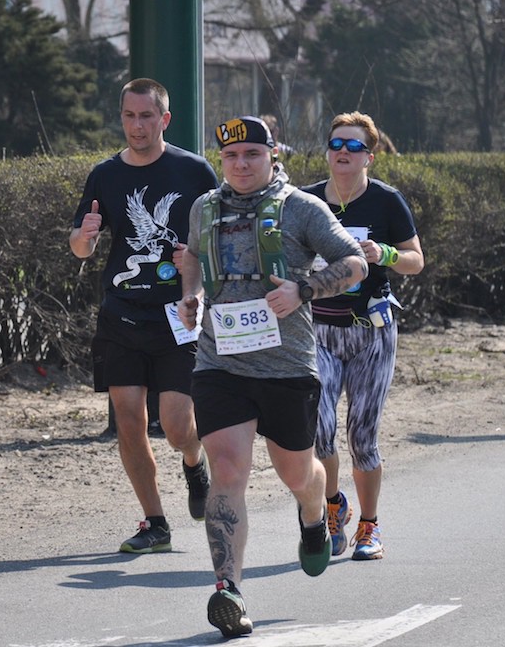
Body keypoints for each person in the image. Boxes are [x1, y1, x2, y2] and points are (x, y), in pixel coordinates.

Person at [178, 116, 366, 638]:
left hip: (287, 367)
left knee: (297, 476)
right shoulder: (205, 208)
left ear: (272, 156)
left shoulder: (302, 208)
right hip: (220, 362)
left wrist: (302, 291)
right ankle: (228, 590)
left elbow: (355, 264)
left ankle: (314, 513)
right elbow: (191, 256)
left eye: (252, 155)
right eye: (231, 157)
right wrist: (190, 295)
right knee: (227, 470)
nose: (241, 165)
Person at [70, 78, 219, 554]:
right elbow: (80, 247)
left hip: (179, 314)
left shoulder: (194, 171)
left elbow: (219, 239)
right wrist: (85, 237)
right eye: (130, 116)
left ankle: (194, 460)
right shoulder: (105, 175)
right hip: (122, 316)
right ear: (121, 118)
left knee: (176, 426)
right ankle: (155, 522)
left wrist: (194, 260)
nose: (138, 126)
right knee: (130, 420)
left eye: (147, 116)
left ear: (164, 119)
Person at [301, 111, 423, 562]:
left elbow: (416, 259)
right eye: (336, 145)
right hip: (319, 330)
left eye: (354, 146)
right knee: (318, 431)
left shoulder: (386, 201)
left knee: (362, 437)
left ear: (369, 156)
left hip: (371, 333)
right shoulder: (307, 201)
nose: (343, 153)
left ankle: (369, 525)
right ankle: (334, 505)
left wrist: (385, 253)